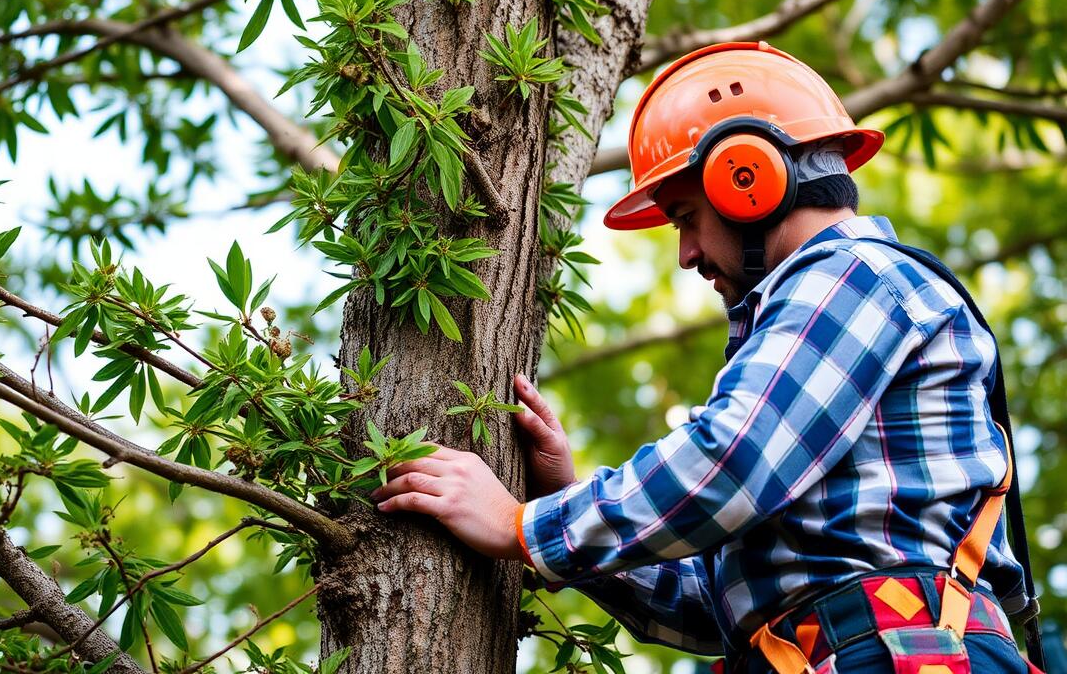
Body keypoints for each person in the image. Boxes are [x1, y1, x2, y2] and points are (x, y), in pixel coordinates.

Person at [372, 42, 1043, 673]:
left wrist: (521, 527)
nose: (687, 254)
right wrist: (563, 500)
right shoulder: (831, 306)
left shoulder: (853, 276)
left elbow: (730, 462)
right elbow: (713, 612)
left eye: (687, 216)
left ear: (747, 179)